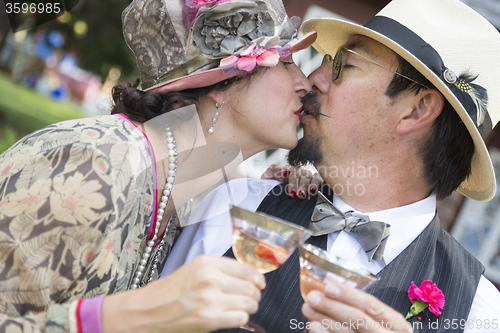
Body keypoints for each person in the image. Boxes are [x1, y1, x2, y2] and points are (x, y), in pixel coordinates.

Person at [170, 0, 500, 332]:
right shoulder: (238, 205)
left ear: (416, 111)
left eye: (343, 65)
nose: (313, 80)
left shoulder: (479, 314)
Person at [0, 0, 316, 332]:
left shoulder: (189, 194)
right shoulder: (92, 168)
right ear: (222, 86)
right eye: (285, 62)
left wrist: (278, 195)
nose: (305, 84)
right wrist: (120, 318)